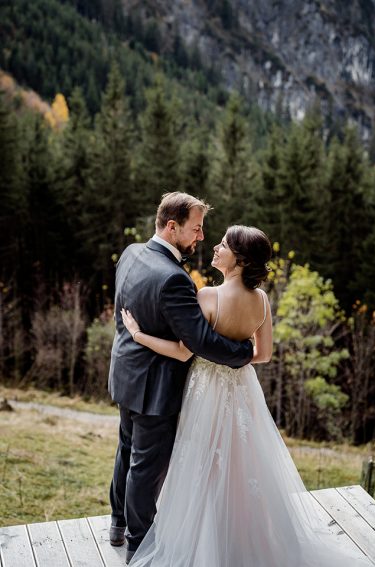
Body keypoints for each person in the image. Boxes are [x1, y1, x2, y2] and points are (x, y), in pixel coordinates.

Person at [122, 225, 370, 567]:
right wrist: (237, 356)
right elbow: (263, 354)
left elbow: (182, 352)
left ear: (238, 260)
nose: (215, 248)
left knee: (203, 468)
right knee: (242, 469)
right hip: (242, 391)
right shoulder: (262, 300)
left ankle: (207, 549)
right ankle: (247, 542)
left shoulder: (208, 297)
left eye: (223, 245)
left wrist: (138, 335)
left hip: (207, 391)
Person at [108, 193, 254, 564]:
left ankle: (117, 522)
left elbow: (123, 311)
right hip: (156, 387)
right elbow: (200, 342)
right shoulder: (174, 279)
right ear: (171, 227)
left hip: (125, 374)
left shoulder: (130, 253)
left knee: (127, 448)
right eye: (196, 229)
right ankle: (139, 544)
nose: (201, 237)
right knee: (146, 466)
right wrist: (244, 353)